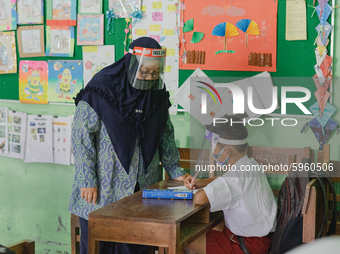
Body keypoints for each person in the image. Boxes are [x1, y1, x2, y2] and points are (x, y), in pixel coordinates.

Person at [68, 37, 189, 254]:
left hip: (142, 188)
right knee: (99, 246)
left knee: (137, 245)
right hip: (103, 188)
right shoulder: (102, 87)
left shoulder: (157, 93)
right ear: (131, 63)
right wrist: (87, 179)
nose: (149, 77)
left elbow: (166, 133)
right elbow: (81, 137)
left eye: (155, 73)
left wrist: (176, 170)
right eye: (144, 71)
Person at [184, 115, 277, 254]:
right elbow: (225, 178)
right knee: (210, 225)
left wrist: (201, 189)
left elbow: (199, 198)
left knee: (184, 239)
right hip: (261, 238)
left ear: (226, 152)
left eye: (213, 148)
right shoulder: (250, 164)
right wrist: (200, 182)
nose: (213, 153)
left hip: (247, 244)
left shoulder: (234, 178)